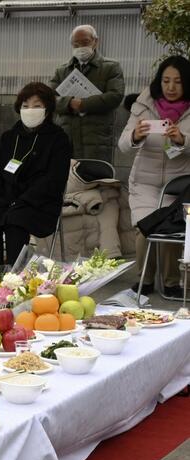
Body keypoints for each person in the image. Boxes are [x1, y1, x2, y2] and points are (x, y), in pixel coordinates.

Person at [0, 82, 72, 278]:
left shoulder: (59, 139)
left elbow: (53, 179)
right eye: (25, 105)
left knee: (16, 221)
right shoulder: (8, 137)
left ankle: (15, 279)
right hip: (6, 200)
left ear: (47, 109)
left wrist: (22, 200)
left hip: (39, 203)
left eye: (37, 106)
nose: (30, 110)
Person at [118, 56, 190, 299]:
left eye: (178, 82)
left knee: (171, 229)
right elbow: (123, 145)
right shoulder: (143, 104)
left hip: (178, 184)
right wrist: (136, 136)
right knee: (146, 227)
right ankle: (144, 280)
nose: (171, 87)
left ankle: (171, 282)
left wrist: (183, 140)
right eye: (166, 80)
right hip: (144, 182)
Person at [49, 25, 125, 162]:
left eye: (85, 43)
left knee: (94, 178)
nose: (80, 48)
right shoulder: (62, 70)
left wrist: (83, 104)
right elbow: (49, 99)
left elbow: (115, 95)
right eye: (76, 45)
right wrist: (69, 103)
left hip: (97, 138)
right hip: (67, 137)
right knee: (67, 179)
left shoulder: (111, 67)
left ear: (95, 41)